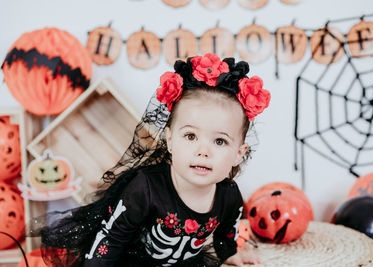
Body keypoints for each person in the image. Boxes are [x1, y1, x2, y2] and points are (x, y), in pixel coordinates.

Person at [32, 53, 270, 266]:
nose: (203, 151)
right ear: (169, 140)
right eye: (190, 136)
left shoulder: (229, 194)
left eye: (220, 141)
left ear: (239, 153)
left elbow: (227, 229)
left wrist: (229, 253)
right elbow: (111, 237)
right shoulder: (145, 187)